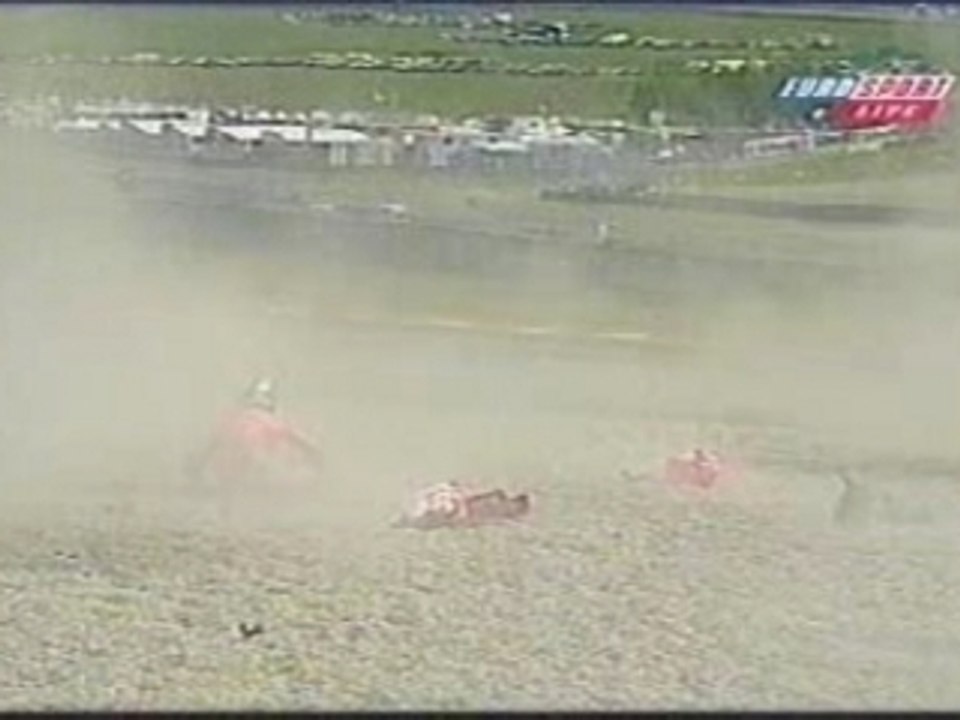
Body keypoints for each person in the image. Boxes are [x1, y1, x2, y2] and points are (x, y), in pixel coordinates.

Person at [190, 377, 322, 487]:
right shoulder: (274, 424)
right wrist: (315, 457)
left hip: (229, 478)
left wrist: (196, 468)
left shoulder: (230, 421)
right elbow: (305, 444)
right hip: (260, 477)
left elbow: (209, 447)